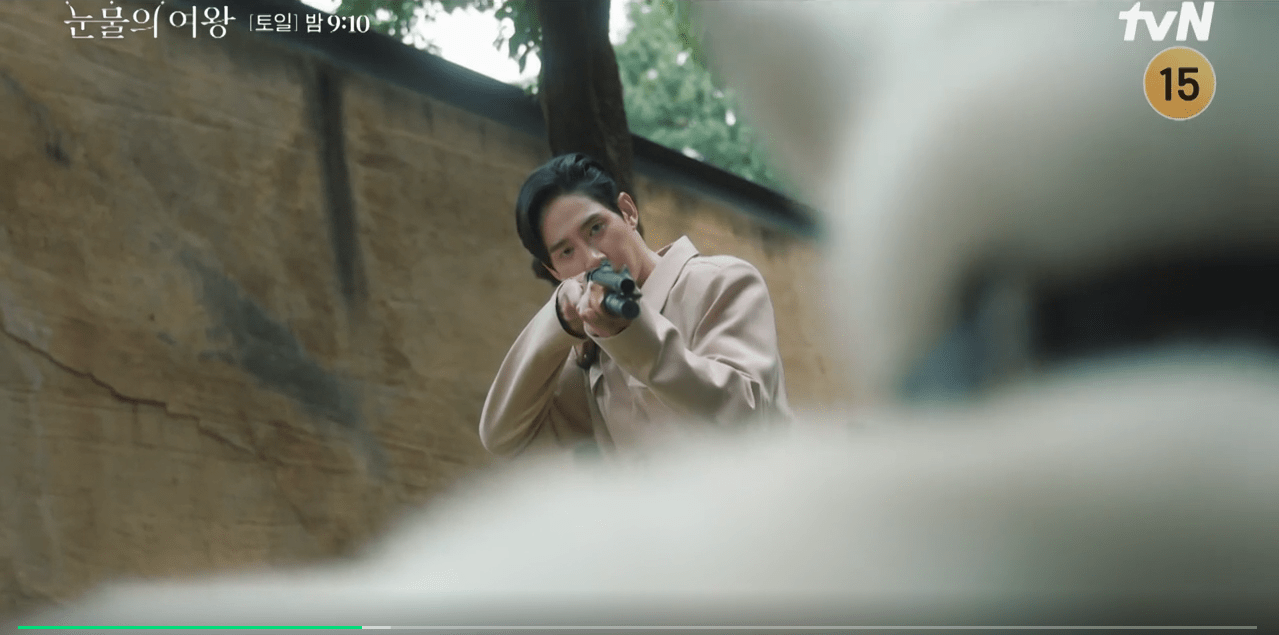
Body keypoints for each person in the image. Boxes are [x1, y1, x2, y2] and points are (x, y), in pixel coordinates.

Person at [479, 153, 794, 459]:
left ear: (627, 211)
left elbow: (748, 417)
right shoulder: (589, 342)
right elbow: (503, 438)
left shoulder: (721, 280)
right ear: (555, 272)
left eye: (596, 228)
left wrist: (634, 335)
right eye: (566, 252)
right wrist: (559, 318)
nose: (592, 259)